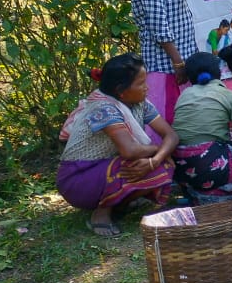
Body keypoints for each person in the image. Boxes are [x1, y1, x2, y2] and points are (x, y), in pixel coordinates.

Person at [57, 53, 178, 237]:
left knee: (163, 165)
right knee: (140, 163)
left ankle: (119, 204)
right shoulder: (104, 108)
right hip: (78, 177)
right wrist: (157, 150)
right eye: (141, 83)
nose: (147, 87)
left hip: (105, 169)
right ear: (121, 90)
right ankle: (102, 212)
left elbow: (171, 135)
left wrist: (155, 160)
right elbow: (129, 151)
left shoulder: (140, 104)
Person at [171, 52, 232, 202]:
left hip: (182, 166)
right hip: (210, 164)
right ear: (218, 72)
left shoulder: (184, 95)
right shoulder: (229, 95)